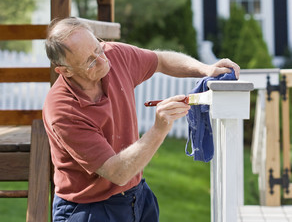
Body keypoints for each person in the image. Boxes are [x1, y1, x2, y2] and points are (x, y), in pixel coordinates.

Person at [43, 17, 240, 222]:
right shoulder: (63, 110)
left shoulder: (113, 55)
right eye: (90, 61)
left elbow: (161, 60)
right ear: (65, 70)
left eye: (98, 48)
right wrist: (159, 129)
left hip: (136, 196)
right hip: (89, 209)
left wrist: (205, 69)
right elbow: (117, 173)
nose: (102, 60)